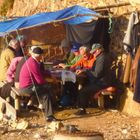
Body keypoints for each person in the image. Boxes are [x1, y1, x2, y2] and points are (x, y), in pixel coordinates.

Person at [19, 46, 59, 122]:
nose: (42, 57)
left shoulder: (33, 61)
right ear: (39, 56)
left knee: (48, 88)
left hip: (27, 85)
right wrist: (50, 81)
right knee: (46, 94)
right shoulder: (33, 63)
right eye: (41, 56)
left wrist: (50, 74)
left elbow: (40, 72)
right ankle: (49, 115)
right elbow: (39, 81)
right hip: (27, 88)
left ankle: (50, 108)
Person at [75, 44, 111, 115]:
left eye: (94, 52)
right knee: (84, 85)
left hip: (102, 83)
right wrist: (84, 70)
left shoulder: (101, 59)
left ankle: (82, 109)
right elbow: (94, 70)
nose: (93, 53)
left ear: (98, 50)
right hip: (101, 81)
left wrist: (85, 71)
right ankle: (83, 105)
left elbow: (97, 74)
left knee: (83, 90)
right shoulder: (100, 57)